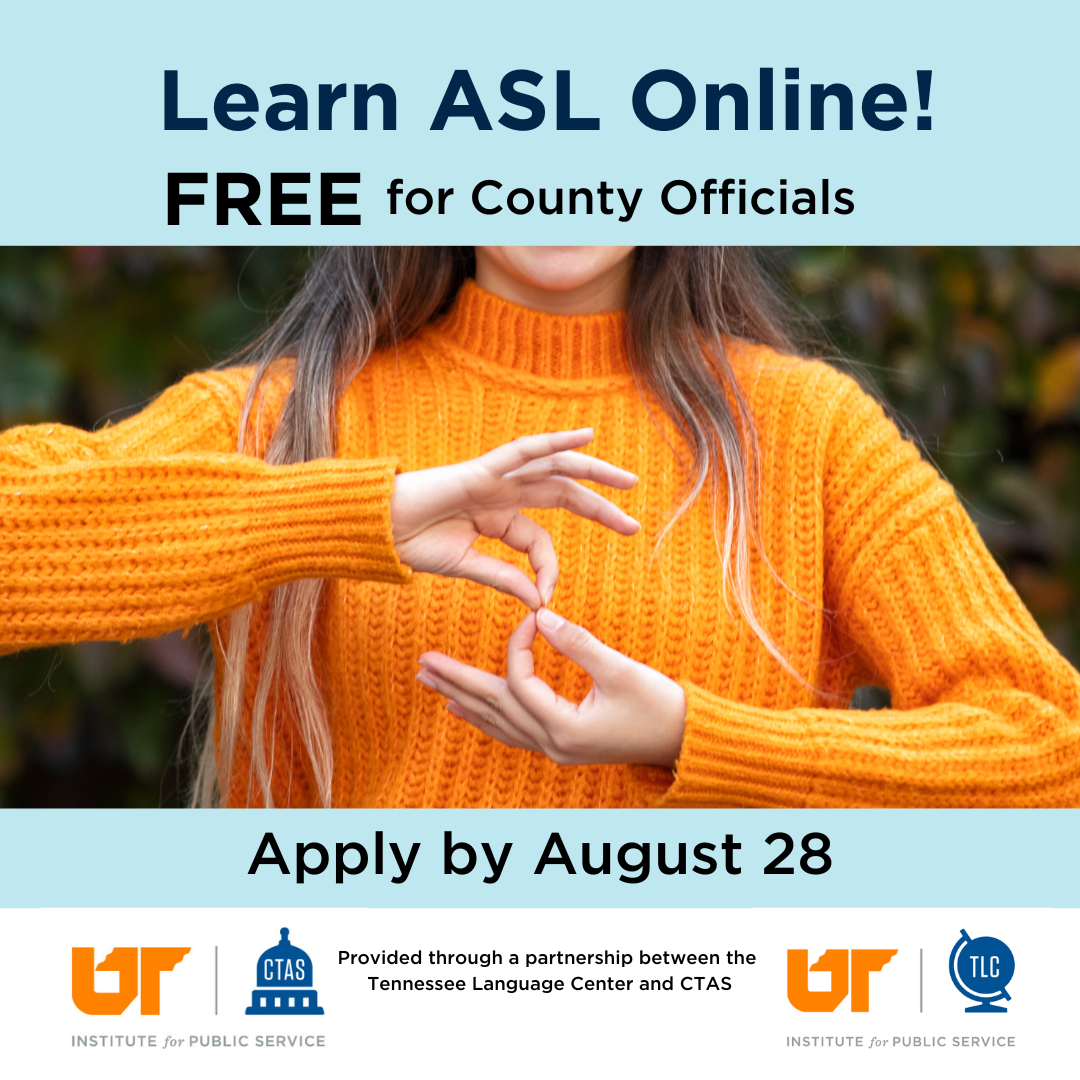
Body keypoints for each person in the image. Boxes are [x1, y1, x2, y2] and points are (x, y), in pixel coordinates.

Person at [1, 246, 1077, 808]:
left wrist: (693, 739)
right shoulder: (294, 416)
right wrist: (355, 510)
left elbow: (1050, 754)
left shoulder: (808, 433)